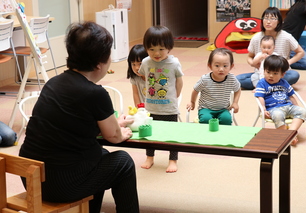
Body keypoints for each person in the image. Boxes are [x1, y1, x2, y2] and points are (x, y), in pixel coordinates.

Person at [19, 22, 139, 213]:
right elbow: (114, 137)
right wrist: (120, 131)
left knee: (102, 157)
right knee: (123, 162)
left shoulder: (53, 83)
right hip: (60, 184)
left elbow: (71, 122)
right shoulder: (95, 93)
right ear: (100, 63)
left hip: (32, 178)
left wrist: (114, 124)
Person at [139, 25, 183, 173]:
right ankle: (150, 157)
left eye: (161, 49)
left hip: (169, 107)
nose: (156, 53)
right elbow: (144, 77)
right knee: (149, 133)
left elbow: (179, 81)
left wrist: (175, 96)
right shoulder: (145, 62)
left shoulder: (173, 63)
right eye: (151, 49)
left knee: (172, 135)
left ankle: (172, 160)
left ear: (169, 47)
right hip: (151, 107)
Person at [236, 7, 304, 90]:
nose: (268, 21)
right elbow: (250, 56)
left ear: (279, 21)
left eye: (272, 18)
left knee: (294, 75)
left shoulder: (286, 37)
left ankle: (262, 86)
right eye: (266, 18)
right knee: (237, 79)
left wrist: (287, 62)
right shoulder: (256, 37)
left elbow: (300, 52)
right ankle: (275, 85)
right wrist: (253, 63)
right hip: (261, 73)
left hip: (280, 73)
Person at [254, 55, 306, 146]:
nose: (271, 76)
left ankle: (291, 134)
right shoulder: (262, 83)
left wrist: (296, 106)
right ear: (264, 71)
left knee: (302, 111)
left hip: (288, 106)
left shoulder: (284, 83)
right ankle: (284, 136)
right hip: (273, 109)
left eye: (275, 73)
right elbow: (260, 97)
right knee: (278, 115)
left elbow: (291, 96)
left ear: (282, 74)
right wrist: (263, 109)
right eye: (268, 72)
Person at [186, 48, 241, 125]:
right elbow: (195, 90)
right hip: (206, 108)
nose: (221, 69)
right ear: (210, 66)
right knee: (206, 120)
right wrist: (192, 102)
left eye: (225, 66)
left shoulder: (232, 79)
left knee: (227, 120)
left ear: (231, 66)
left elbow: (238, 89)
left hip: (223, 109)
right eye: (217, 65)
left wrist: (235, 103)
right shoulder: (205, 79)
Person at [283, 0, 306, 70]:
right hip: (288, 43)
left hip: (294, 41)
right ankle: (282, 61)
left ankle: (295, 53)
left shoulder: (298, 5)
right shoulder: (303, 6)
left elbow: (296, 26)